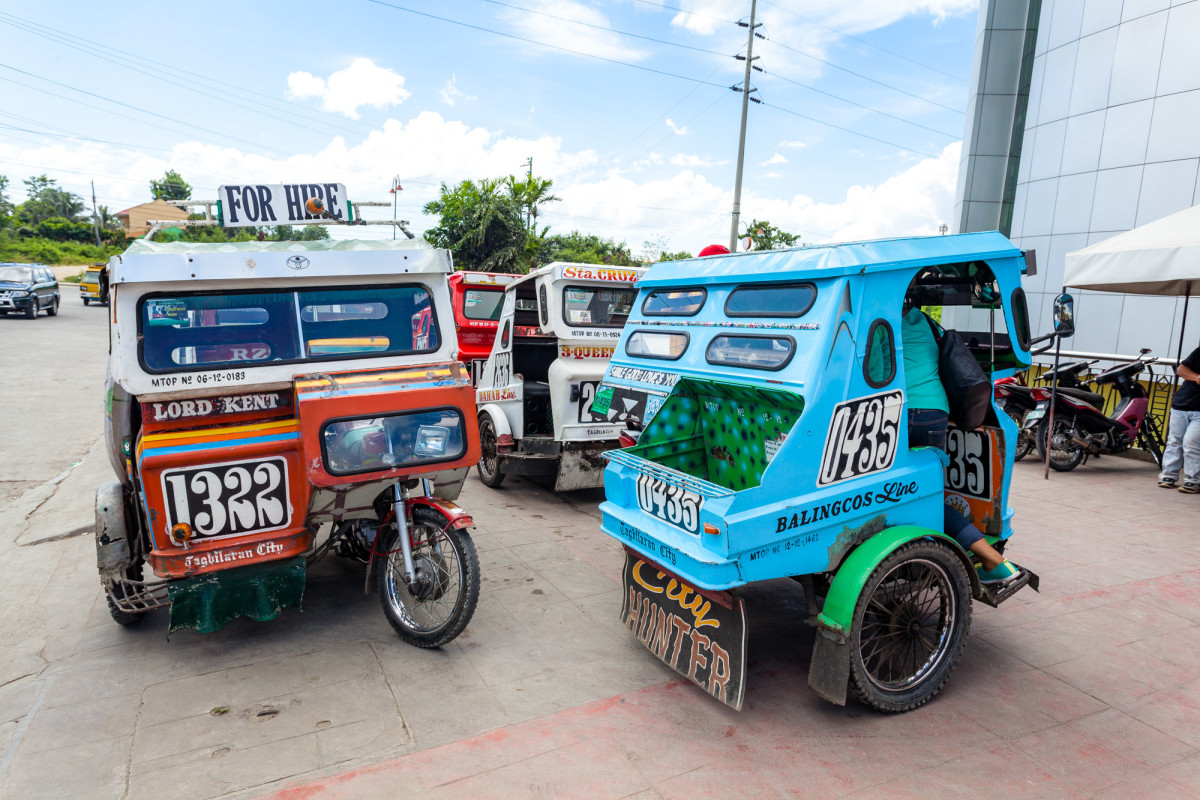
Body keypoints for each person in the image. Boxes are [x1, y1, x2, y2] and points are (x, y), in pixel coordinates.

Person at [901, 299, 1019, 584]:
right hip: (935, 411)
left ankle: (989, 558)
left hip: (901, 412)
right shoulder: (923, 320)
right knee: (928, 491)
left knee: (902, 492)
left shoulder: (883, 322)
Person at [1157, 343, 1200, 493]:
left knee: (1191, 443)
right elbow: (1181, 370)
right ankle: (1168, 475)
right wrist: (1196, 377)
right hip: (1181, 405)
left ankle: (1193, 481)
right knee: (1174, 441)